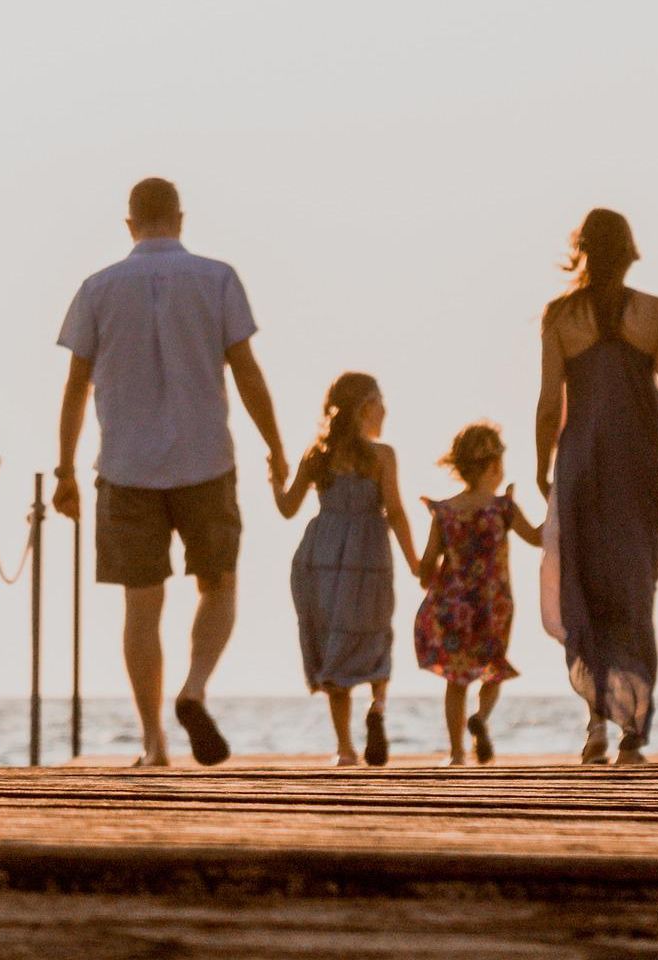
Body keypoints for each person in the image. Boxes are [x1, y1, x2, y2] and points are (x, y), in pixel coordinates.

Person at [53, 177, 287, 767]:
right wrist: (277, 447)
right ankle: (194, 687)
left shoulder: (97, 288)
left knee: (141, 605)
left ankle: (154, 743)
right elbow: (247, 371)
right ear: (180, 218)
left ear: (129, 225)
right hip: (206, 460)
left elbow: (76, 385)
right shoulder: (218, 278)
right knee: (219, 583)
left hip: (127, 466)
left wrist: (64, 470)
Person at [535, 209, 658, 766]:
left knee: (587, 590)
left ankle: (596, 721)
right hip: (645, 464)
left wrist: (545, 468)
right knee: (637, 593)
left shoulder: (559, 317)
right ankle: (633, 733)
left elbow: (549, 404)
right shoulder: (656, 313)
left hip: (583, 467)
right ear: (630, 250)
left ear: (583, 250)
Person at [271, 372, 420, 767]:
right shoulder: (382, 456)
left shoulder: (316, 454)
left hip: (321, 556)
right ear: (364, 407)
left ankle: (345, 749)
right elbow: (397, 512)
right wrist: (416, 563)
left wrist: (275, 479)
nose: (385, 409)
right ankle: (378, 706)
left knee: (332, 638)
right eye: (381, 401)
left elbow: (287, 508)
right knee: (374, 632)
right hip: (368, 556)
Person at [415, 423, 542, 766]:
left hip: (454, 605)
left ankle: (456, 753)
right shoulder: (502, 508)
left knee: (456, 680)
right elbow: (537, 537)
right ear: (493, 466)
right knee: (493, 668)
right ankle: (481, 718)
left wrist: (423, 574)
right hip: (493, 602)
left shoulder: (444, 512)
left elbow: (428, 563)